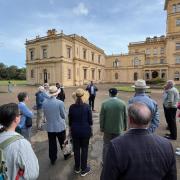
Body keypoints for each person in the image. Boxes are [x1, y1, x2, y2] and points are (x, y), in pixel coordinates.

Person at [101, 102, 177, 180]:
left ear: (130, 119)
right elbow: (172, 176)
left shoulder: (116, 145)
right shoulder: (166, 144)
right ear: (149, 120)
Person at [0, 103, 39, 179]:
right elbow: (33, 174)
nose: (20, 115)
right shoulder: (21, 143)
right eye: (20, 114)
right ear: (15, 119)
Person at [100, 88, 127, 164]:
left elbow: (102, 117)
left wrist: (102, 127)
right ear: (117, 94)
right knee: (118, 145)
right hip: (118, 128)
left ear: (109, 94)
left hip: (107, 129)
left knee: (106, 145)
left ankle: (105, 162)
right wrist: (125, 126)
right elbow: (125, 116)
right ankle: (118, 162)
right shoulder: (122, 103)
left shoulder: (105, 103)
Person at [69, 88, 92, 176]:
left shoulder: (72, 107)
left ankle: (77, 167)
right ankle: (84, 169)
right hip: (85, 130)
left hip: (75, 131)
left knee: (76, 149)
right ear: (83, 96)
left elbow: (70, 121)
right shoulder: (87, 107)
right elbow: (90, 121)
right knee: (84, 149)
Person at [42, 86, 67, 165]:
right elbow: (63, 116)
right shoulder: (60, 103)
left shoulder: (44, 102)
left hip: (50, 126)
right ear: (56, 94)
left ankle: (53, 158)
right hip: (60, 126)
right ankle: (66, 154)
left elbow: (45, 114)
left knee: (52, 144)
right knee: (63, 142)